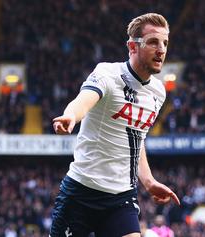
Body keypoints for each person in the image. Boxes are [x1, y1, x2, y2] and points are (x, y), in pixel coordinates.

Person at [50, 13, 180, 237]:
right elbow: (84, 100)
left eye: (165, 43)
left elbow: (136, 138)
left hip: (121, 198)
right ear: (132, 46)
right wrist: (71, 115)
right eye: (153, 42)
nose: (161, 49)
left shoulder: (158, 92)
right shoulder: (107, 74)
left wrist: (148, 181)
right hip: (80, 194)